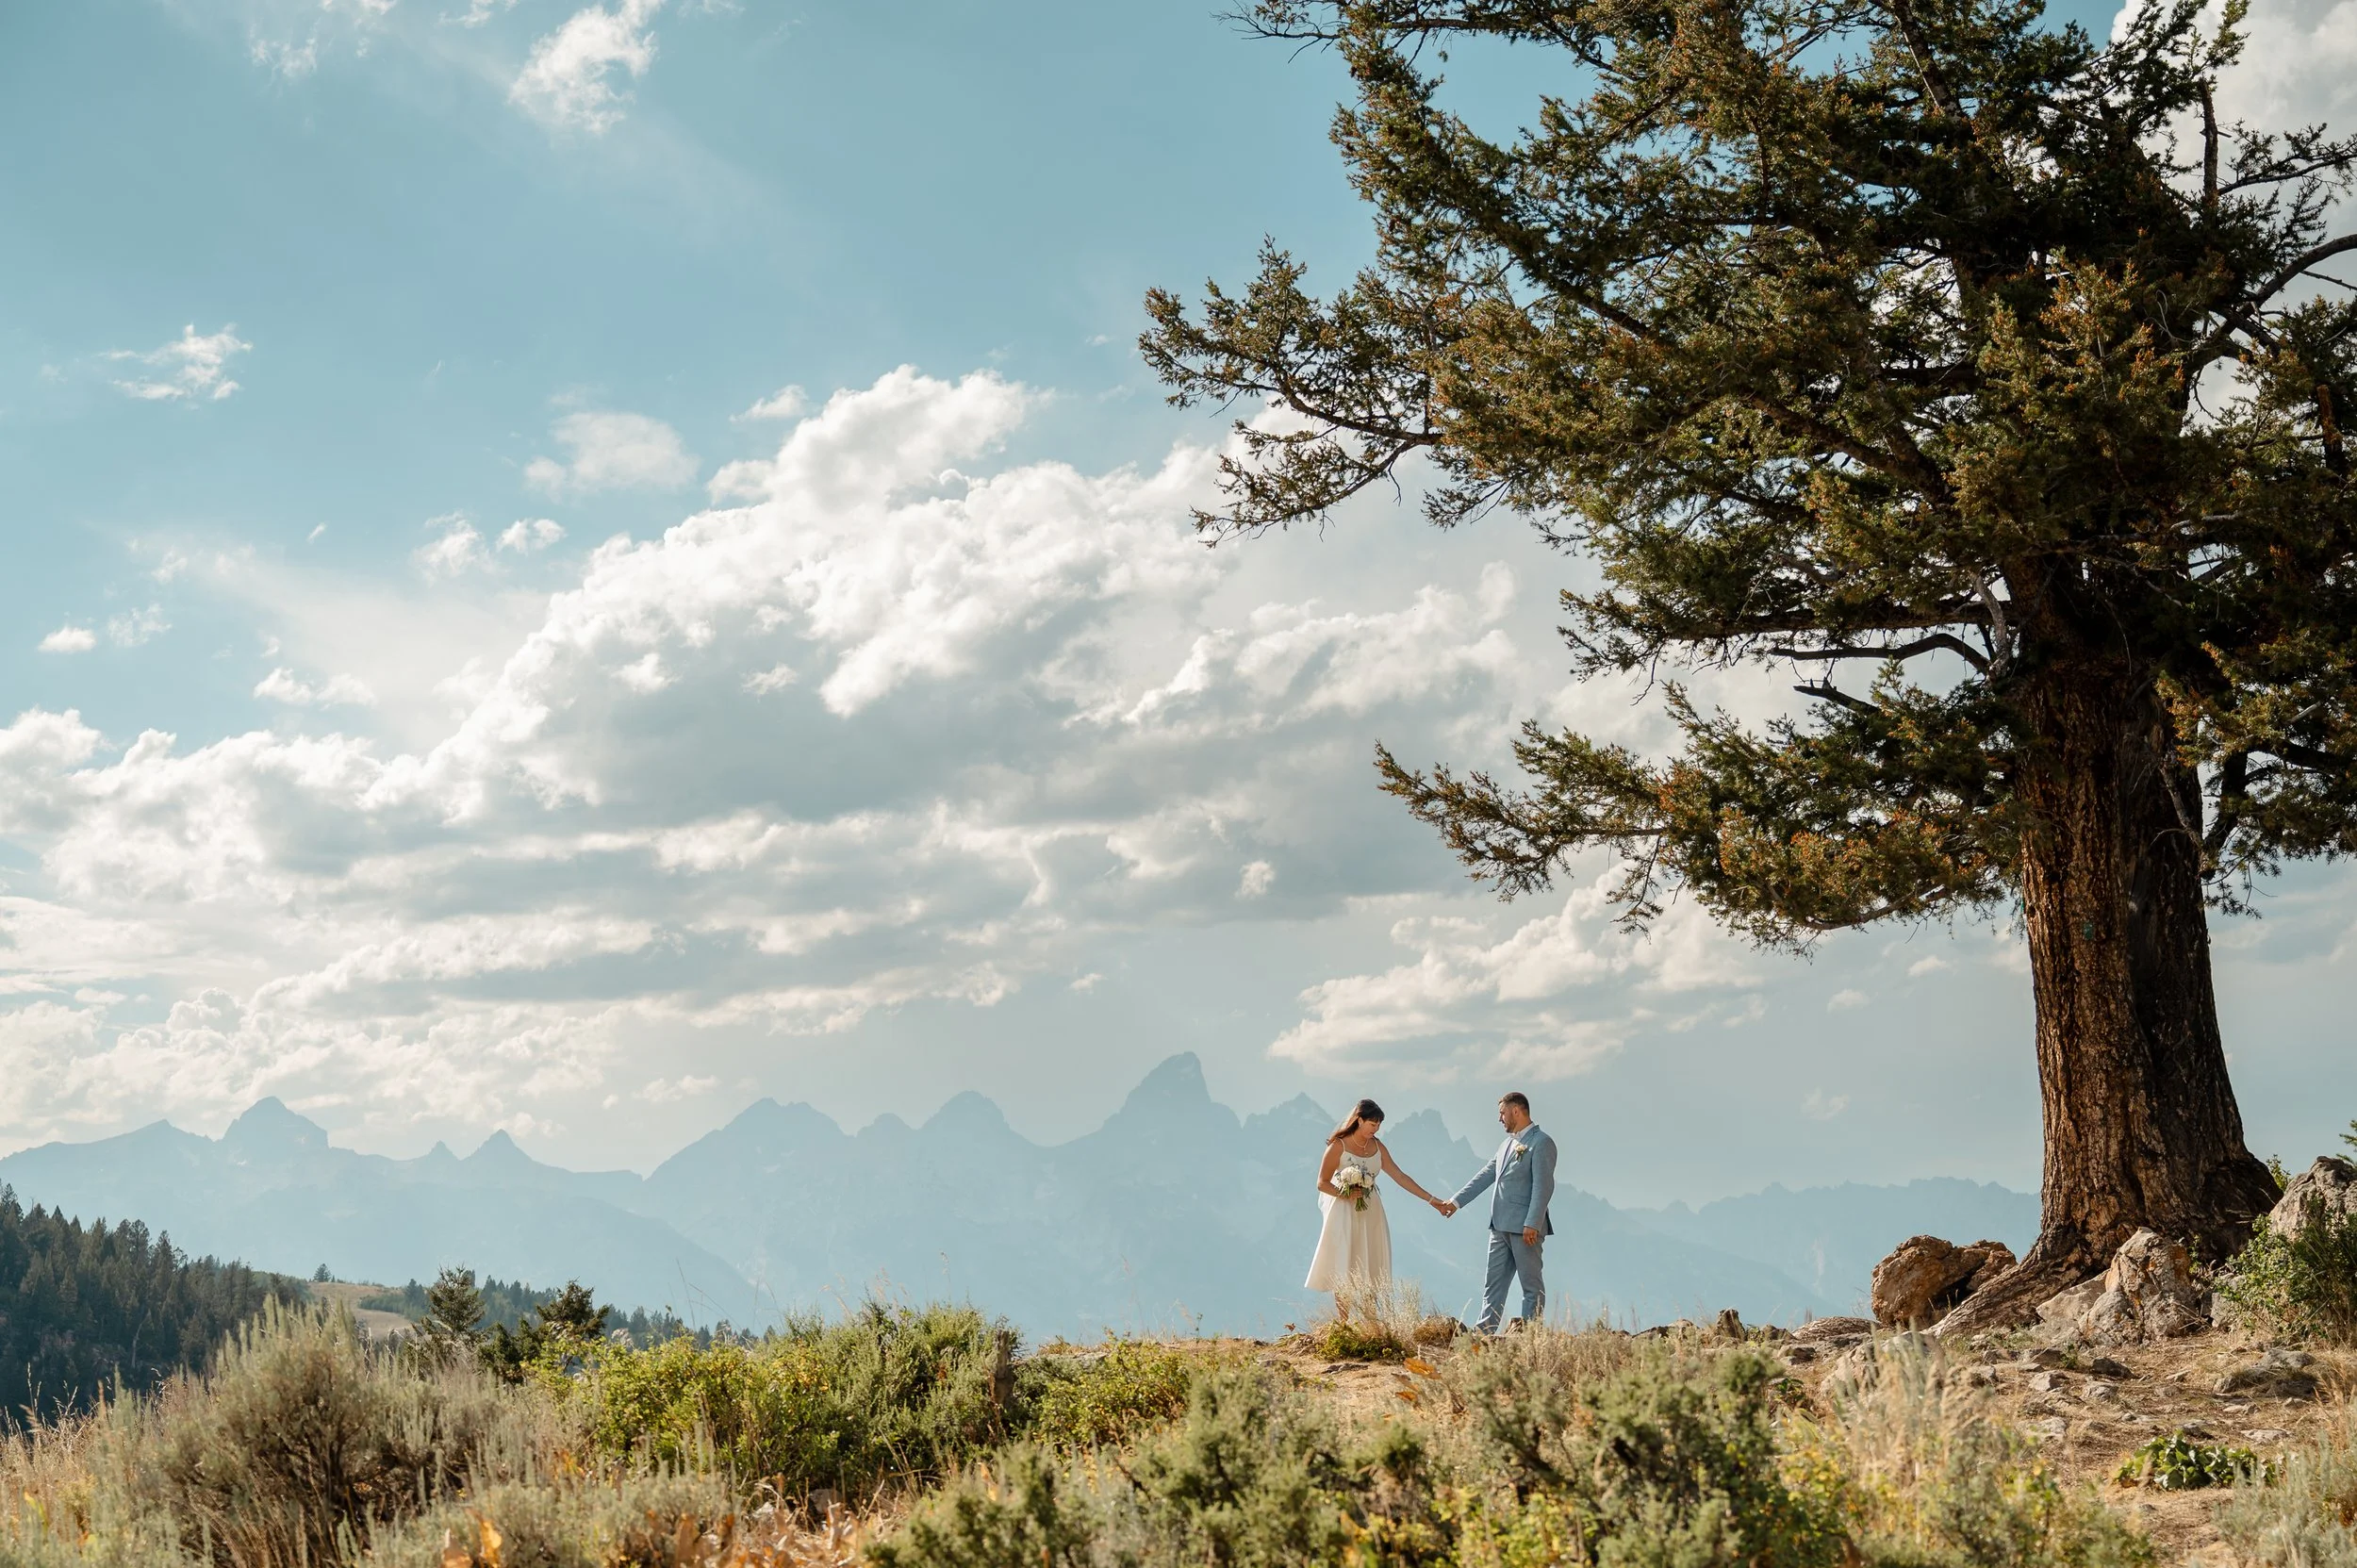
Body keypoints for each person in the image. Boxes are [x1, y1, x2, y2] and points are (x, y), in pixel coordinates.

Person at [1303, 1098, 1451, 1315]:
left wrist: (1431, 1200)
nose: (1376, 1129)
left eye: (1379, 1125)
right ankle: (1344, 1324)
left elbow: (1399, 1176)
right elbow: (1321, 1183)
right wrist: (1344, 1193)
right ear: (1359, 1120)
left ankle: (1371, 1321)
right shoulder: (1339, 1146)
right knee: (1346, 1261)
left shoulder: (1378, 1147)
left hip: (1370, 1210)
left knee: (1370, 1261)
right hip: (1344, 1211)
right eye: (1373, 1124)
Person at [1442, 1091, 1557, 1332]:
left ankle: (1528, 1335)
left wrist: (1533, 1222)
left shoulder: (1542, 1142)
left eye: (1502, 1113)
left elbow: (1543, 1186)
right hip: (1499, 1226)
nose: (1499, 1119)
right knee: (1493, 1284)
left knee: (1531, 1285)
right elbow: (1486, 1175)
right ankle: (1484, 1334)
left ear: (1516, 1111)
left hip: (1526, 1228)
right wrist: (1455, 1202)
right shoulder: (1507, 1144)